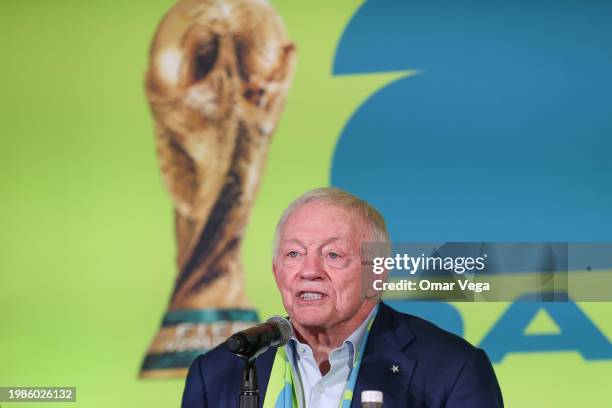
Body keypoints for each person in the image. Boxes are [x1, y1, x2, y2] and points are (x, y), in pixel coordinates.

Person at [182, 187, 504, 407]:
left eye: (333, 255)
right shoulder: (217, 374)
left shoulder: (452, 369)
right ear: (276, 272)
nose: (309, 271)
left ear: (377, 273)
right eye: (294, 253)